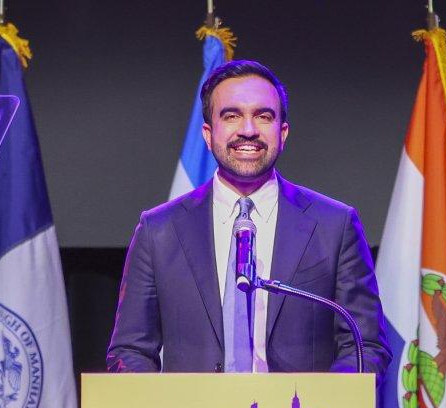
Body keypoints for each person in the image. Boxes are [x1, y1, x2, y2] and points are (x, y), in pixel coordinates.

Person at [106, 60, 390, 377]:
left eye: (263, 116)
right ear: (208, 133)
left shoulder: (334, 226)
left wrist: (323, 402)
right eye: (231, 116)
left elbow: (365, 346)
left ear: (283, 132)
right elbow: (130, 351)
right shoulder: (159, 231)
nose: (248, 130)